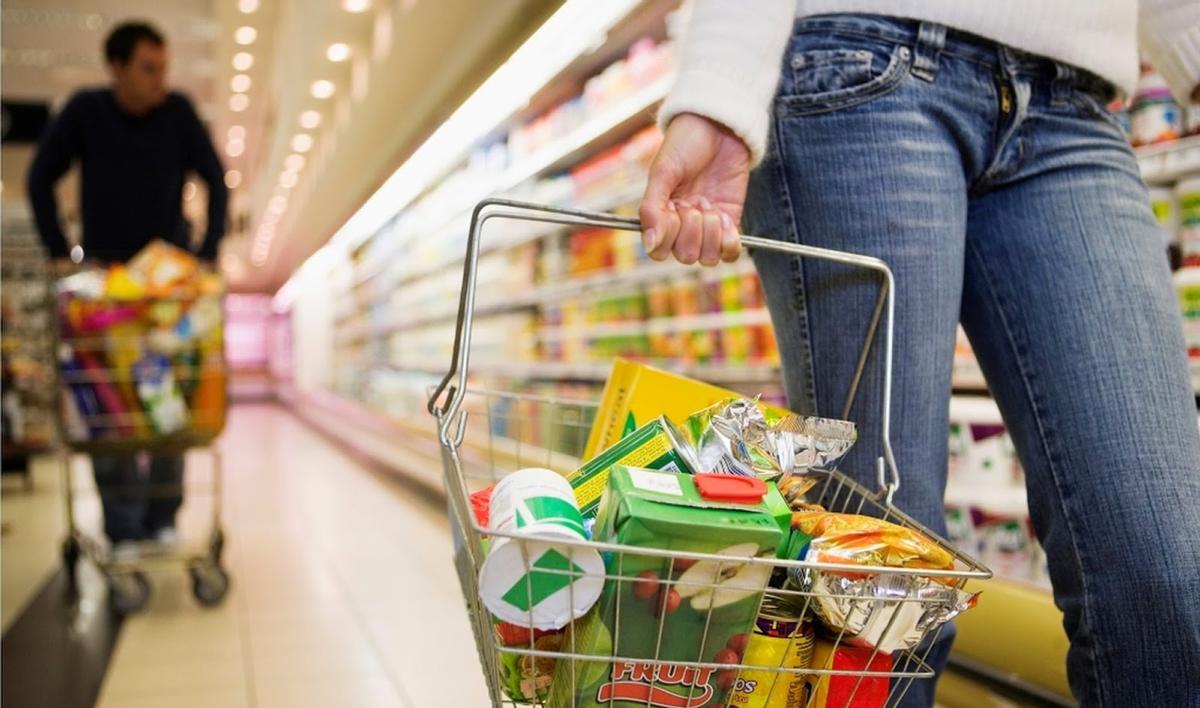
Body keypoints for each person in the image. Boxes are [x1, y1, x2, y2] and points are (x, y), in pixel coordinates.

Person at [640, 2, 1200, 706]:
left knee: (1164, 570)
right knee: (885, 594)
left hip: (1076, 107)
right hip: (861, 73)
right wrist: (718, 92)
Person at [27, 21, 228, 556]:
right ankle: (122, 524)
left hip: (165, 290)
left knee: (170, 406)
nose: (161, 79)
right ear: (116, 67)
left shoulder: (178, 114)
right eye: (148, 68)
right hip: (106, 292)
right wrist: (56, 250)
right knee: (110, 414)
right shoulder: (86, 112)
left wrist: (204, 256)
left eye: (164, 68)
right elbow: (40, 175)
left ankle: (161, 515)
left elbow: (214, 177)